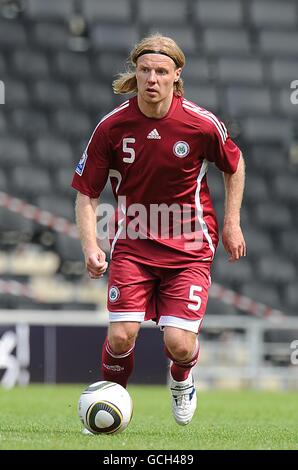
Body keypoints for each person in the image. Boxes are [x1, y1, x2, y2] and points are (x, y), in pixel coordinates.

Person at [71, 33, 246, 426]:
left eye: (161, 71)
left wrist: (232, 223)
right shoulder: (112, 127)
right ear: (136, 73)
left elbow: (234, 166)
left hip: (189, 247)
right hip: (133, 245)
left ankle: (182, 380)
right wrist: (90, 246)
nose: (152, 78)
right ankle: (109, 404)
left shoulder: (200, 124)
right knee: (120, 338)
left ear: (176, 75)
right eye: (145, 70)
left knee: (179, 345)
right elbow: (86, 192)